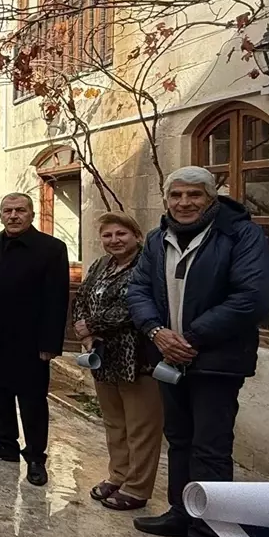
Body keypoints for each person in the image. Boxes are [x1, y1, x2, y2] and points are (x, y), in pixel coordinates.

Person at [127, 166, 269, 537]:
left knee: (210, 450)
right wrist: (157, 332)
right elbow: (138, 289)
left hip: (215, 362)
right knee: (179, 439)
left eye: (194, 195)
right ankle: (182, 511)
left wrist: (190, 338)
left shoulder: (241, 236)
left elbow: (252, 297)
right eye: (176, 195)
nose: (184, 203)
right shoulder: (158, 239)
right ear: (166, 199)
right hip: (169, 357)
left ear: (212, 197)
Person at [0, 193, 69, 486]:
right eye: (7, 211)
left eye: (20, 210)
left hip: (30, 340)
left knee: (32, 400)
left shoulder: (51, 249)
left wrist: (49, 344)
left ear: (31, 214)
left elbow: (56, 300)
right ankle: (3, 444)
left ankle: (35, 457)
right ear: (0, 215)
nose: (13, 215)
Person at [73, 212, 161, 511]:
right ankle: (118, 475)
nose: (114, 240)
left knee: (141, 427)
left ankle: (137, 487)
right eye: (108, 235)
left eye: (121, 234)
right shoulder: (100, 265)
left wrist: (92, 324)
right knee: (114, 423)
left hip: (137, 359)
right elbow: (81, 299)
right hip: (104, 358)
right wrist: (84, 333)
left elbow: (132, 308)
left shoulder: (147, 266)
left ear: (137, 236)